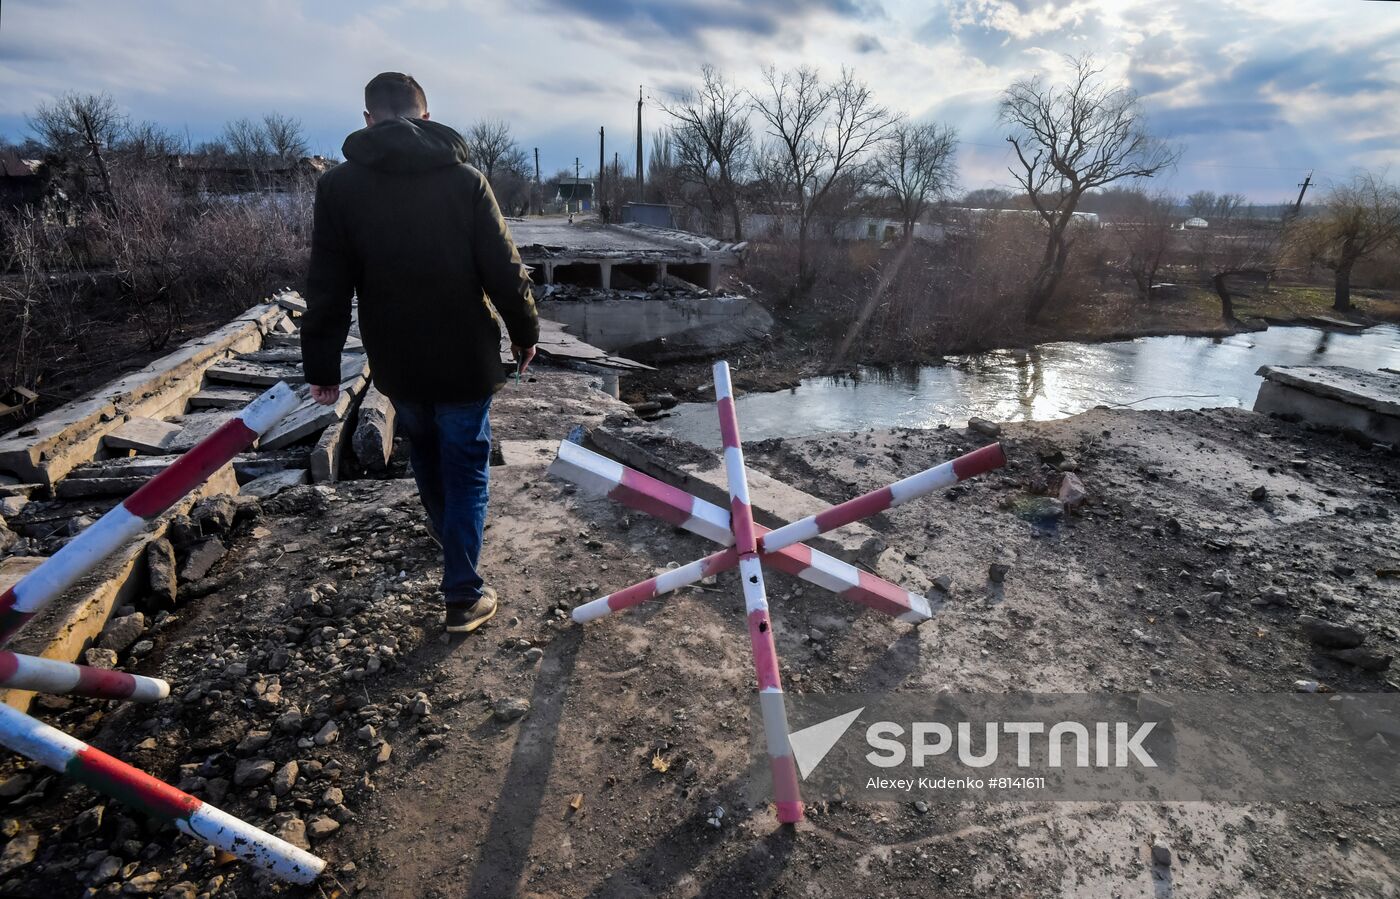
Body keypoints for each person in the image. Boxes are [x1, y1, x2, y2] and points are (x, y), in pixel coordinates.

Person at [302, 72, 538, 634]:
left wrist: (323, 368)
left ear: (368, 120)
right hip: (464, 358)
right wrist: (525, 332)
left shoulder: (338, 189)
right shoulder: (465, 181)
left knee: (427, 455)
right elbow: (504, 271)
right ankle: (462, 593)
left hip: (398, 360)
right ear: (425, 117)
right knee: (467, 470)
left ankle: (448, 535)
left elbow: (327, 288)